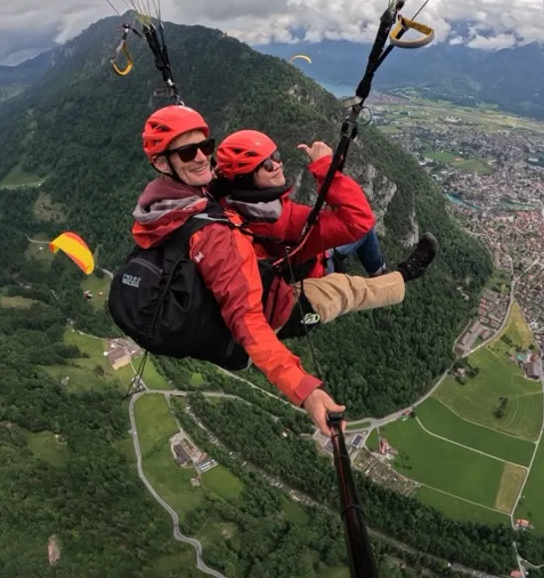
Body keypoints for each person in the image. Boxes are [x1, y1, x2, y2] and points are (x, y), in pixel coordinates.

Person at [133, 106, 438, 436]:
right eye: (187, 152)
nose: (277, 164)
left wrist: (211, 173)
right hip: (281, 306)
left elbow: (206, 178)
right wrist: (306, 392)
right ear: (162, 163)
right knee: (345, 289)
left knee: (357, 239)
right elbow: (247, 319)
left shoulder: (163, 208)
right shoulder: (227, 231)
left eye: (206, 147)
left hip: (283, 266)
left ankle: (375, 269)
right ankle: (404, 275)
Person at [213, 129, 387, 279]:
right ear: (246, 179)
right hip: (318, 269)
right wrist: (325, 168)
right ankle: (379, 275)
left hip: (305, 258)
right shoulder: (277, 222)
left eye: (275, 156)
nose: (277, 165)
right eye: (267, 165)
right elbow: (359, 220)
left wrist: (217, 180)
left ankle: (375, 270)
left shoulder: (230, 206)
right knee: (366, 229)